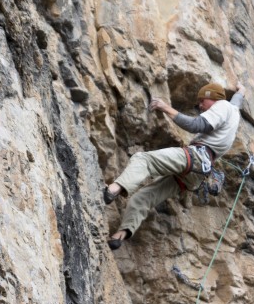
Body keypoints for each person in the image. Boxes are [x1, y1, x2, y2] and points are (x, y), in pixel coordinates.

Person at [104, 82, 244, 249]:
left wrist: (165, 108)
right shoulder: (233, 110)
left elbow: (196, 125)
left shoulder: (222, 106)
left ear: (212, 97)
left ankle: (112, 190)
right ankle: (120, 235)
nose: (200, 106)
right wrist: (241, 90)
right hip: (197, 175)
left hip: (196, 157)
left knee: (143, 160)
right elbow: (238, 100)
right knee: (144, 197)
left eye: (202, 101)